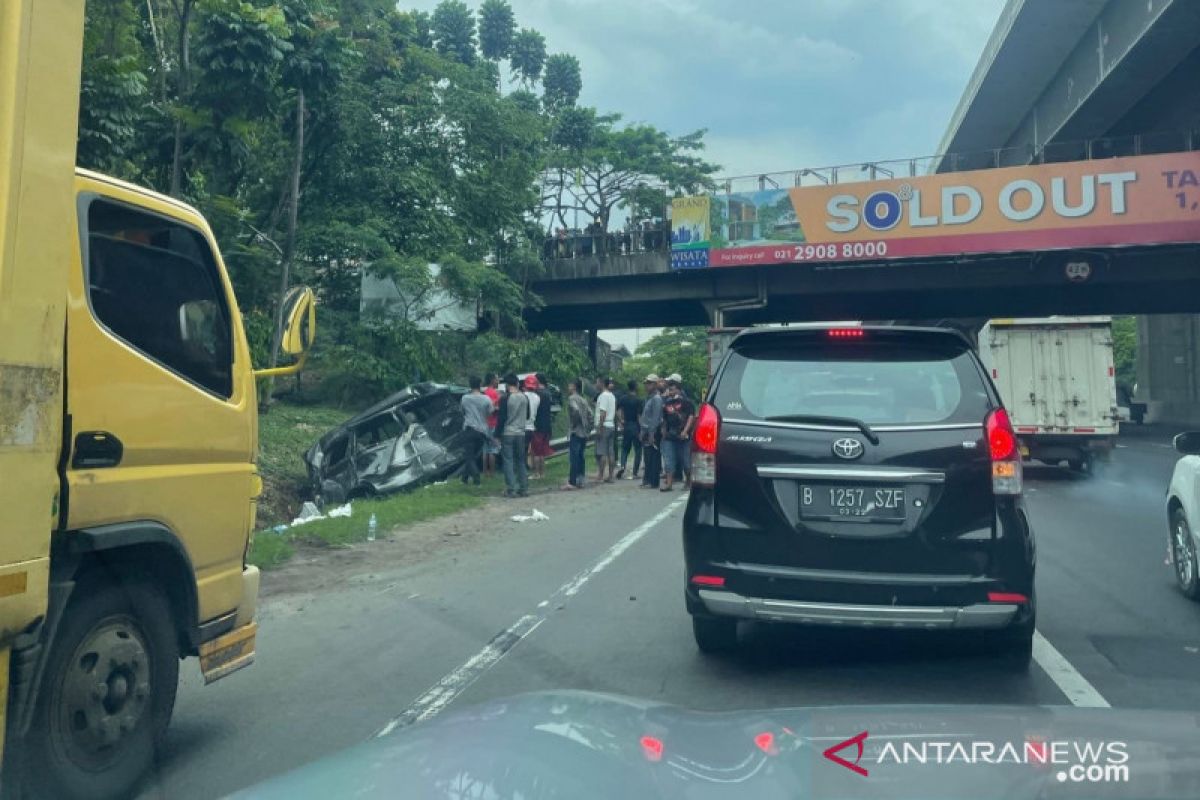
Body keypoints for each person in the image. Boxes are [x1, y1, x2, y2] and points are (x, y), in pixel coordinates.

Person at [495, 373, 529, 497]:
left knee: (508, 461)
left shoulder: (505, 398)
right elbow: (528, 415)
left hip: (508, 432)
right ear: (517, 383)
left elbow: (502, 418)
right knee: (521, 460)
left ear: (507, 385)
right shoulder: (524, 397)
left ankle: (511, 489)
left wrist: (497, 434)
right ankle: (524, 488)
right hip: (521, 432)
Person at [660, 376, 695, 492]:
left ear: (679, 390)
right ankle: (669, 484)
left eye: (673, 389)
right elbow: (665, 419)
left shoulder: (687, 402)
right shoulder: (666, 404)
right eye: (670, 390)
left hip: (684, 436)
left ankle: (688, 481)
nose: (671, 392)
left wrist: (685, 431)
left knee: (686, 461)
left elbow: (691, 417)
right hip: (670, 436)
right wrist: (664, 432)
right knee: (669, 460)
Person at [459, 376, 493, 486]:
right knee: (472, 456)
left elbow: (462, 412)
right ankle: (464, 478)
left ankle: (476, 477)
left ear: (470, 385)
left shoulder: (465, 398)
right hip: (482, 431)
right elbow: (490, 412)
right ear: (480, 385)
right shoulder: (486, 399)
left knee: (469, 457)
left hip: (469, 429)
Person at [565, 380, 591, 489]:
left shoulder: (572, 399)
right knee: (581, 456)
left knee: (574, 457)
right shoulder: (583, 400)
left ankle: (572, 481)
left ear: (574, 386)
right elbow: (590, 414)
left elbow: (575, 410)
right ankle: (581, 479)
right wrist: (588, 427)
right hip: (584, 432)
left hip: (576, 432)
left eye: (569, 384)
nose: (568, 386)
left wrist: (574, 424)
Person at [639, 374, 664, 489]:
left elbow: (656, 417)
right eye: (646, 383)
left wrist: (652, 433)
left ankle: (653, 481)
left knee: (653, 456)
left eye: (649, 383)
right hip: (646, 430)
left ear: (655, 384)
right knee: (647, 456)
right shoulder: (648, 398)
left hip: (653, 430)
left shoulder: (657, 399)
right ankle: (647, 479)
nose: (646, 386)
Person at [616, 379, 643, 480]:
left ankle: (622, 466)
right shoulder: (639, 400)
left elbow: (617, 410)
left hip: (626, 425)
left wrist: (621, 420)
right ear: (635, 387)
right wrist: (642, 429)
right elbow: (639, 416)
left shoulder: (623, 399)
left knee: (624, 448)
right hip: (636, 425)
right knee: (638, 450)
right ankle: (635, 472)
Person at [593, 377, 617, 482]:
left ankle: (600, 475)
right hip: (611, 425)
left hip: (604, 425)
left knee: (602, 452)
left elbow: (603, 413)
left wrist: (600, 427)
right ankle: (611, 476)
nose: (596, 384)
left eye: (597, 382)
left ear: (602, 383)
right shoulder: (612, 396)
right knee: (611, 452)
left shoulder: (603, 396)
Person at [531, 373, 554, 479]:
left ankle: (536, 473)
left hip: (538, 425)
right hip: (547, 425)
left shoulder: (536, 394)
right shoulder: (548, 393)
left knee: (536, 451)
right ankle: (543, 473)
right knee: (542, 452)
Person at [482, 373, 501, 479]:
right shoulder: (493, 393)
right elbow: (493, 408)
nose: (498, 381)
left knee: (485, 449)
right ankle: (492, 473)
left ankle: (485, 472)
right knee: (493, 449)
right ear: (492, 380)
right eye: (497, 379)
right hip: (493, 423)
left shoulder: (485, 392)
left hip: (484, 424)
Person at [523, 376, 540, 474]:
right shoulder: (537, 397)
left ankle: (523, 468)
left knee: (521, 450)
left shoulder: (522, 395)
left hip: (522, 427)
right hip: (531, 427)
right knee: (528, 449)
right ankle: (527, 466)